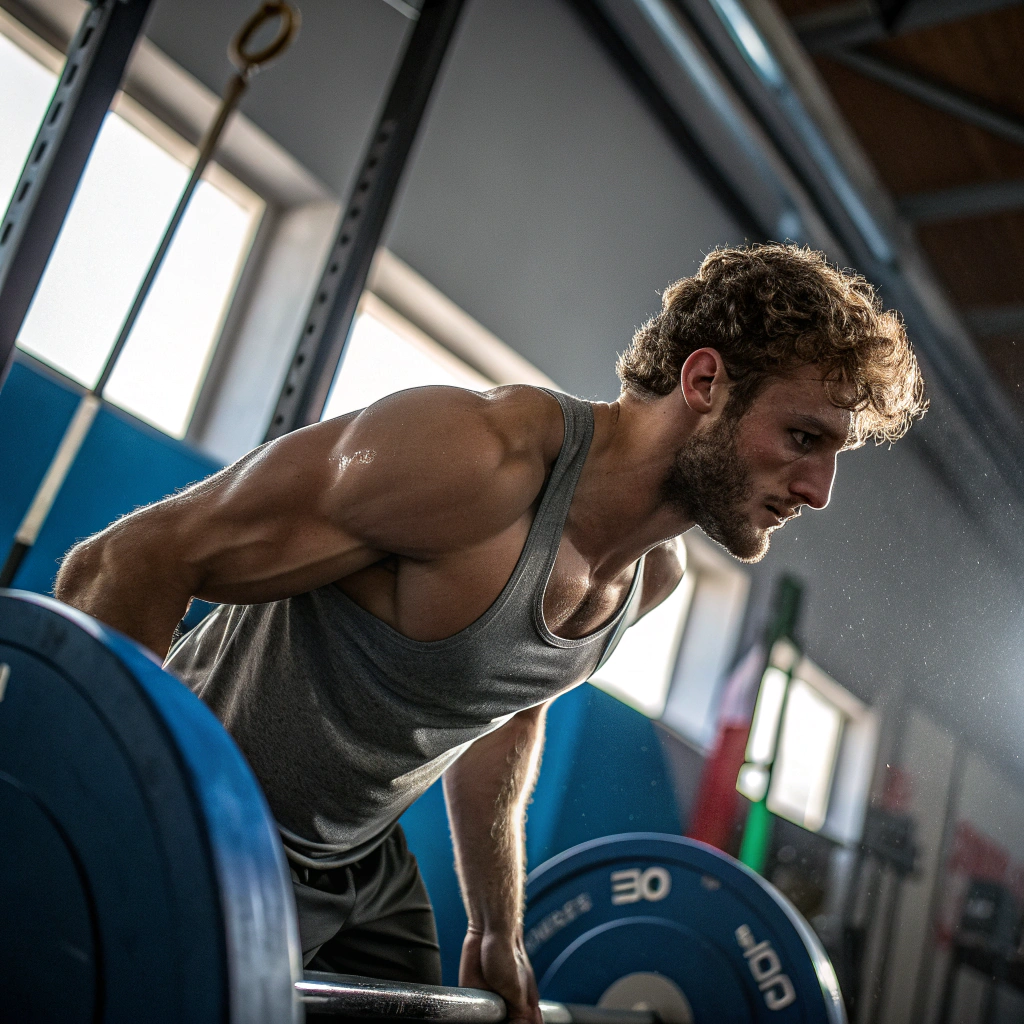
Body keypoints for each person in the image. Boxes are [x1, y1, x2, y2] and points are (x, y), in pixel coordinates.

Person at [54, 243, 926, 1023]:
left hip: (364, 862)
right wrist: (116, 821)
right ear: (704, 384)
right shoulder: (473, 459)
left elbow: (509, 712)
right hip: (224, 822)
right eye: (803, 438)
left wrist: (498, 925)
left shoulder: (651, 579)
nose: (817, 490)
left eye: (834, 455)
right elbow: (125, 562)